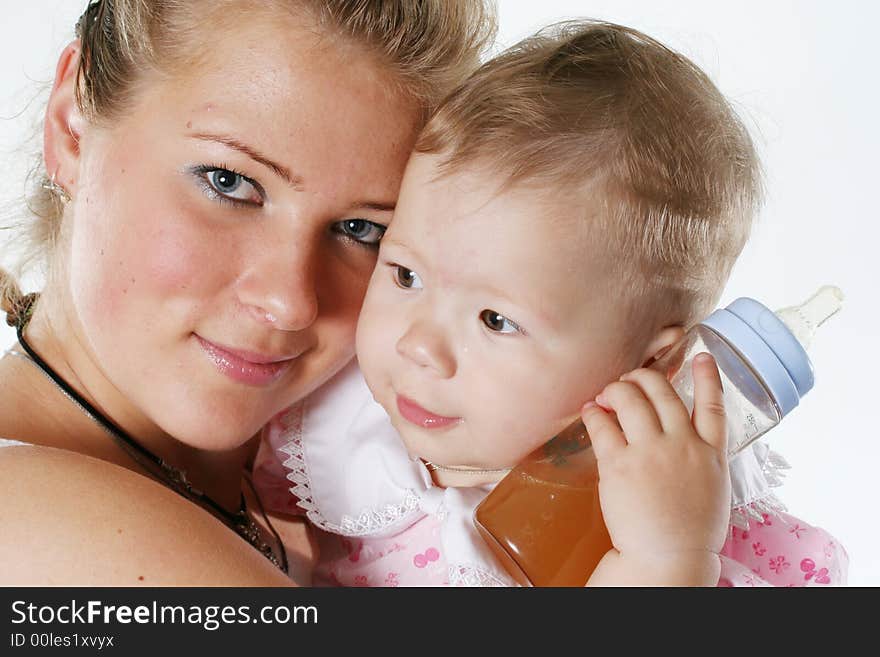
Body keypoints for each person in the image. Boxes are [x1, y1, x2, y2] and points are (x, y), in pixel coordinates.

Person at [254, 20, 850, 586]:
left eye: (495, 320)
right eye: (406, 274)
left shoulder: (665, 519)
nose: (418, 346)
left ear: (652, 368)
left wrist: (664, 560)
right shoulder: (341, 421)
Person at [0, 0, 496, 585]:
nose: (291, 302)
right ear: (71, 125)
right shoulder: (40, 528)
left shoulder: (339, 517)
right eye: (229, 183)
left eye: (363, 230)